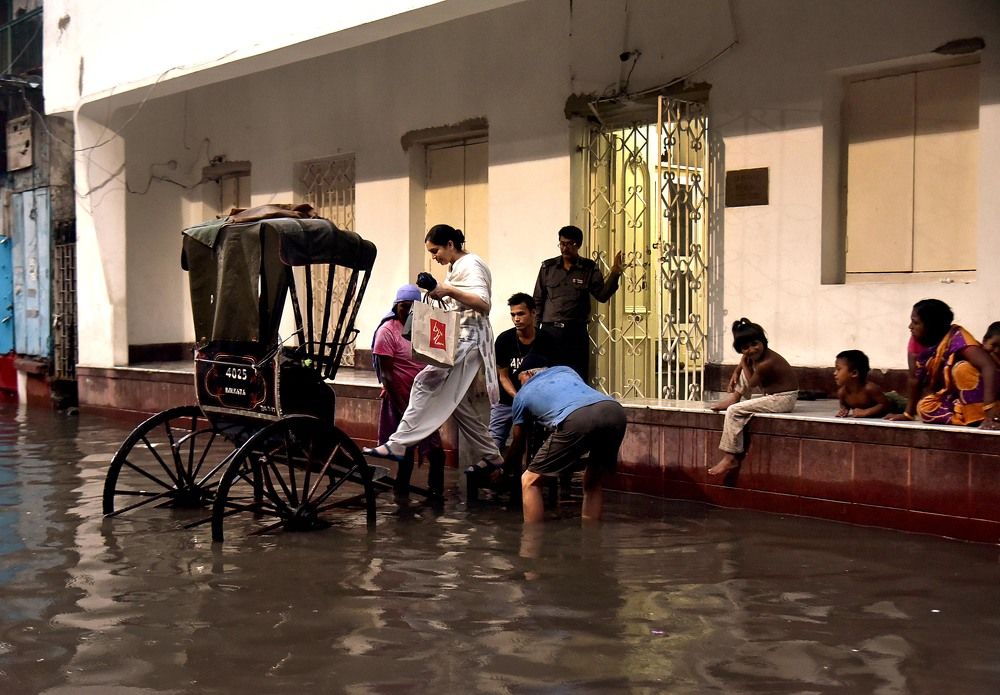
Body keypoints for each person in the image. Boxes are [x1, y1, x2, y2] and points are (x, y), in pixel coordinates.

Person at [364, 224, 505, 472]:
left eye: (435, 251)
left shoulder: (471, 264)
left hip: (469, 340)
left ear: (450, 244)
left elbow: (484, 304)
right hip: (460, 339)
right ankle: (491, 454)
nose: (434, 257)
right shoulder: (456, 267)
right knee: (458, 406)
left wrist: (447, 289)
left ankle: (398, 443)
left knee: (423, 381)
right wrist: (440, 291)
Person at [503, 355, 627, 524]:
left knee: (529, 481)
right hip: (614, 411)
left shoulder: (521, 395)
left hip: (578, 418)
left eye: (520, 380)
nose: (521, 384)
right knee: (592, 481)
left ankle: (531, 538)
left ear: (528, 374)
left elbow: (518, 441)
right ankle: (592, 535)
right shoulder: (566, 371)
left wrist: (504, 469)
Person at [371, 283, 446, 500]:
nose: (408, 310)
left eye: (413, 306)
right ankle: (401, 495)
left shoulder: (423, 328)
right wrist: (402, 407)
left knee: (436, 452)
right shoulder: (387, 332)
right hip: (400, 397)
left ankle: (435, 494)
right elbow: (386, 375)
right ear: (396, 306)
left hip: (423, 399)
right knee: (406, 451)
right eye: (404, 306)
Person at [885, 299, 998, 429]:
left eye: (915, 322)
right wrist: (908, 414)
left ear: (931, 326)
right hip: (956, 397)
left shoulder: (958, 338)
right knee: (924, 408)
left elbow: (989, 367)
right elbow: (914, 379)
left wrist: (990, 411)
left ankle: (985, 416)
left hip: (988, 395)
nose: (910, 326)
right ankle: (967, 417)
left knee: (962, 368)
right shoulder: (917, 340)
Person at [533, 225, 624, 380]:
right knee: (549, 376)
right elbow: (538, 300)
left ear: (578, 245)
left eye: (570, 244)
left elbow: (602, 295)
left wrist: (615, 273)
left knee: (577, 376)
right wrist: (534, 331)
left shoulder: (588, 268)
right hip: (550, 332)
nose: (565, 248)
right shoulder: (548, 268)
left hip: (575, 333)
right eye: (562, 243)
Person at [708, 318, 799, 476]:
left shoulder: (766, 363)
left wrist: (743, 363)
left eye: (755, 344)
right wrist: (737, 370)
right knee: (745, 370)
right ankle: (735, 397)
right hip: (773, 394)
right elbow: (745, 363)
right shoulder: (757, 356)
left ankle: (730, 457)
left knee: (734, 411)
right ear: (740, 349)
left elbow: (751, 383)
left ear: (763, 341)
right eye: (745, 347)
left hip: (783, 399)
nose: (751, 349)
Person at [489, 292, 555, 451]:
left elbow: (552, 376)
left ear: (533, 313)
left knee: (543, 443)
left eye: (521, 314)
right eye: (513, 315)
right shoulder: (504, 340)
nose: (516, 319)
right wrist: (518, 397)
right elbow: (503, 376)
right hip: (507, 400)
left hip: (537, 402)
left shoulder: (547, 340)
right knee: (492, 446)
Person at [833, 349, 893, 418]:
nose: (834, 373)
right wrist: (844, 409)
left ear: (854, 373)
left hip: (893, 401)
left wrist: (866, 412)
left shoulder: (870, 388)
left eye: (838, 369)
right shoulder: (842, 392)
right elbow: (844, 404)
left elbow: (885, 405)